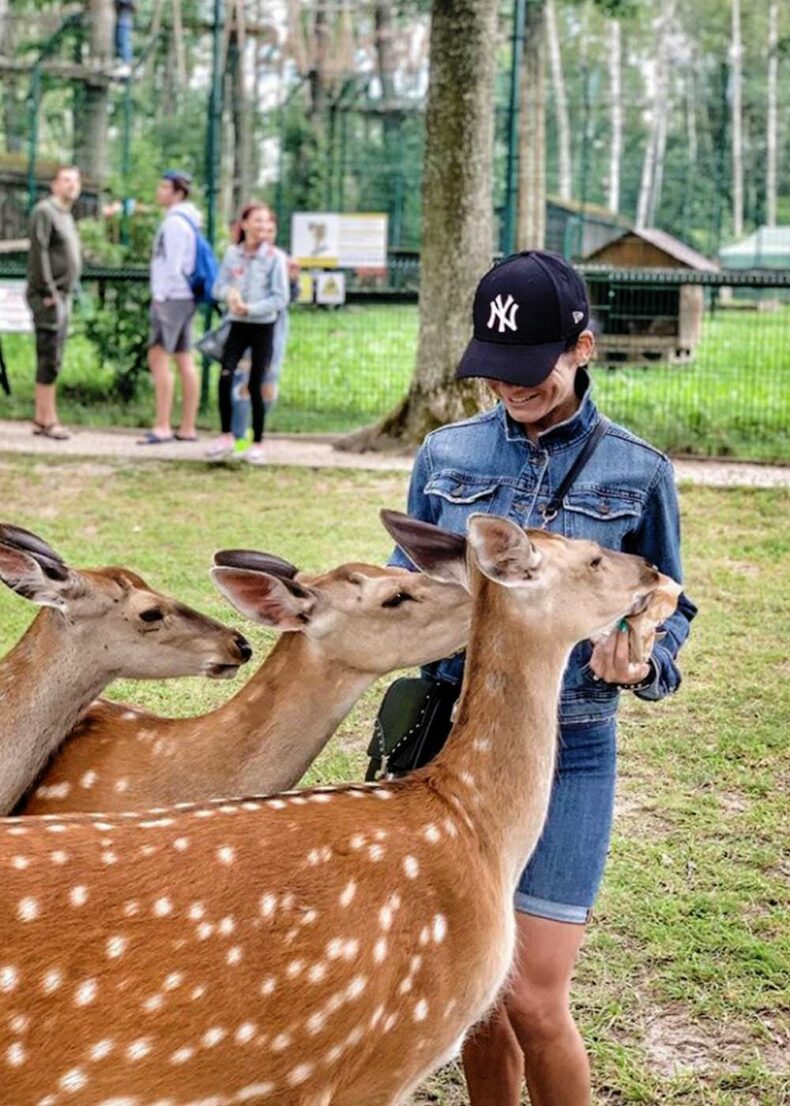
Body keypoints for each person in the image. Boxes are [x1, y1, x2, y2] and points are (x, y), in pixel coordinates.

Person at [389, 250, 697, 1106]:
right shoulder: (446, 453)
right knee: (480, 1003)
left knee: (531, 998)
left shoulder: (637, 471)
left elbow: (669, 603)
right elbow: (407, 589)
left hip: (572, 750)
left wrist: (641, 659)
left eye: (531, 370)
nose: (511, 388)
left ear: (584, 348)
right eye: (496, 372)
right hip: (458, 746)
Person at [206, 203, 288, 465]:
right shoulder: (232, 254)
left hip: (263, 326)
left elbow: (280, 298)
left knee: (256, 383)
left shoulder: (275, 258)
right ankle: (226, 436)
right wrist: (228, 296)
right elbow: (218, 287)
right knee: (226, 374)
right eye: (257, 221)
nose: (262, 226)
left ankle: (257, 442)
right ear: (244, 224)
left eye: (267, 222)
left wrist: (250, 309)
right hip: (236, 325)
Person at [139, 169, 201, 445]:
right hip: (185, 296)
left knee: (158, 357)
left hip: (172, 296)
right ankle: (187, 426)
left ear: (178, 192)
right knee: (183, 356)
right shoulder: (188, 219)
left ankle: (163, 424)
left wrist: (160, 295)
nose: (159, 192)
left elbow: (173, 264)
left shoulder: (175, 223)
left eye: (165, 187)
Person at [25, 164, 82, 441]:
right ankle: (48, 420)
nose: (72, 185)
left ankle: (41, 417)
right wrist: (48, 290)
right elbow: (39, 253)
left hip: (64, 295)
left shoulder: (66, 215)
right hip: (50, 296)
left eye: (75, 180)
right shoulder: (44, 212)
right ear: (54, 185)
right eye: (66, 180)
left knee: (55, 356)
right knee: (48, 355)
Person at [113, 0, 135, 78]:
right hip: (120, 20)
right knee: (118, 43)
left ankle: (127, 65)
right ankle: (122, 64)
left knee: (124, 43)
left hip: (124, 21)